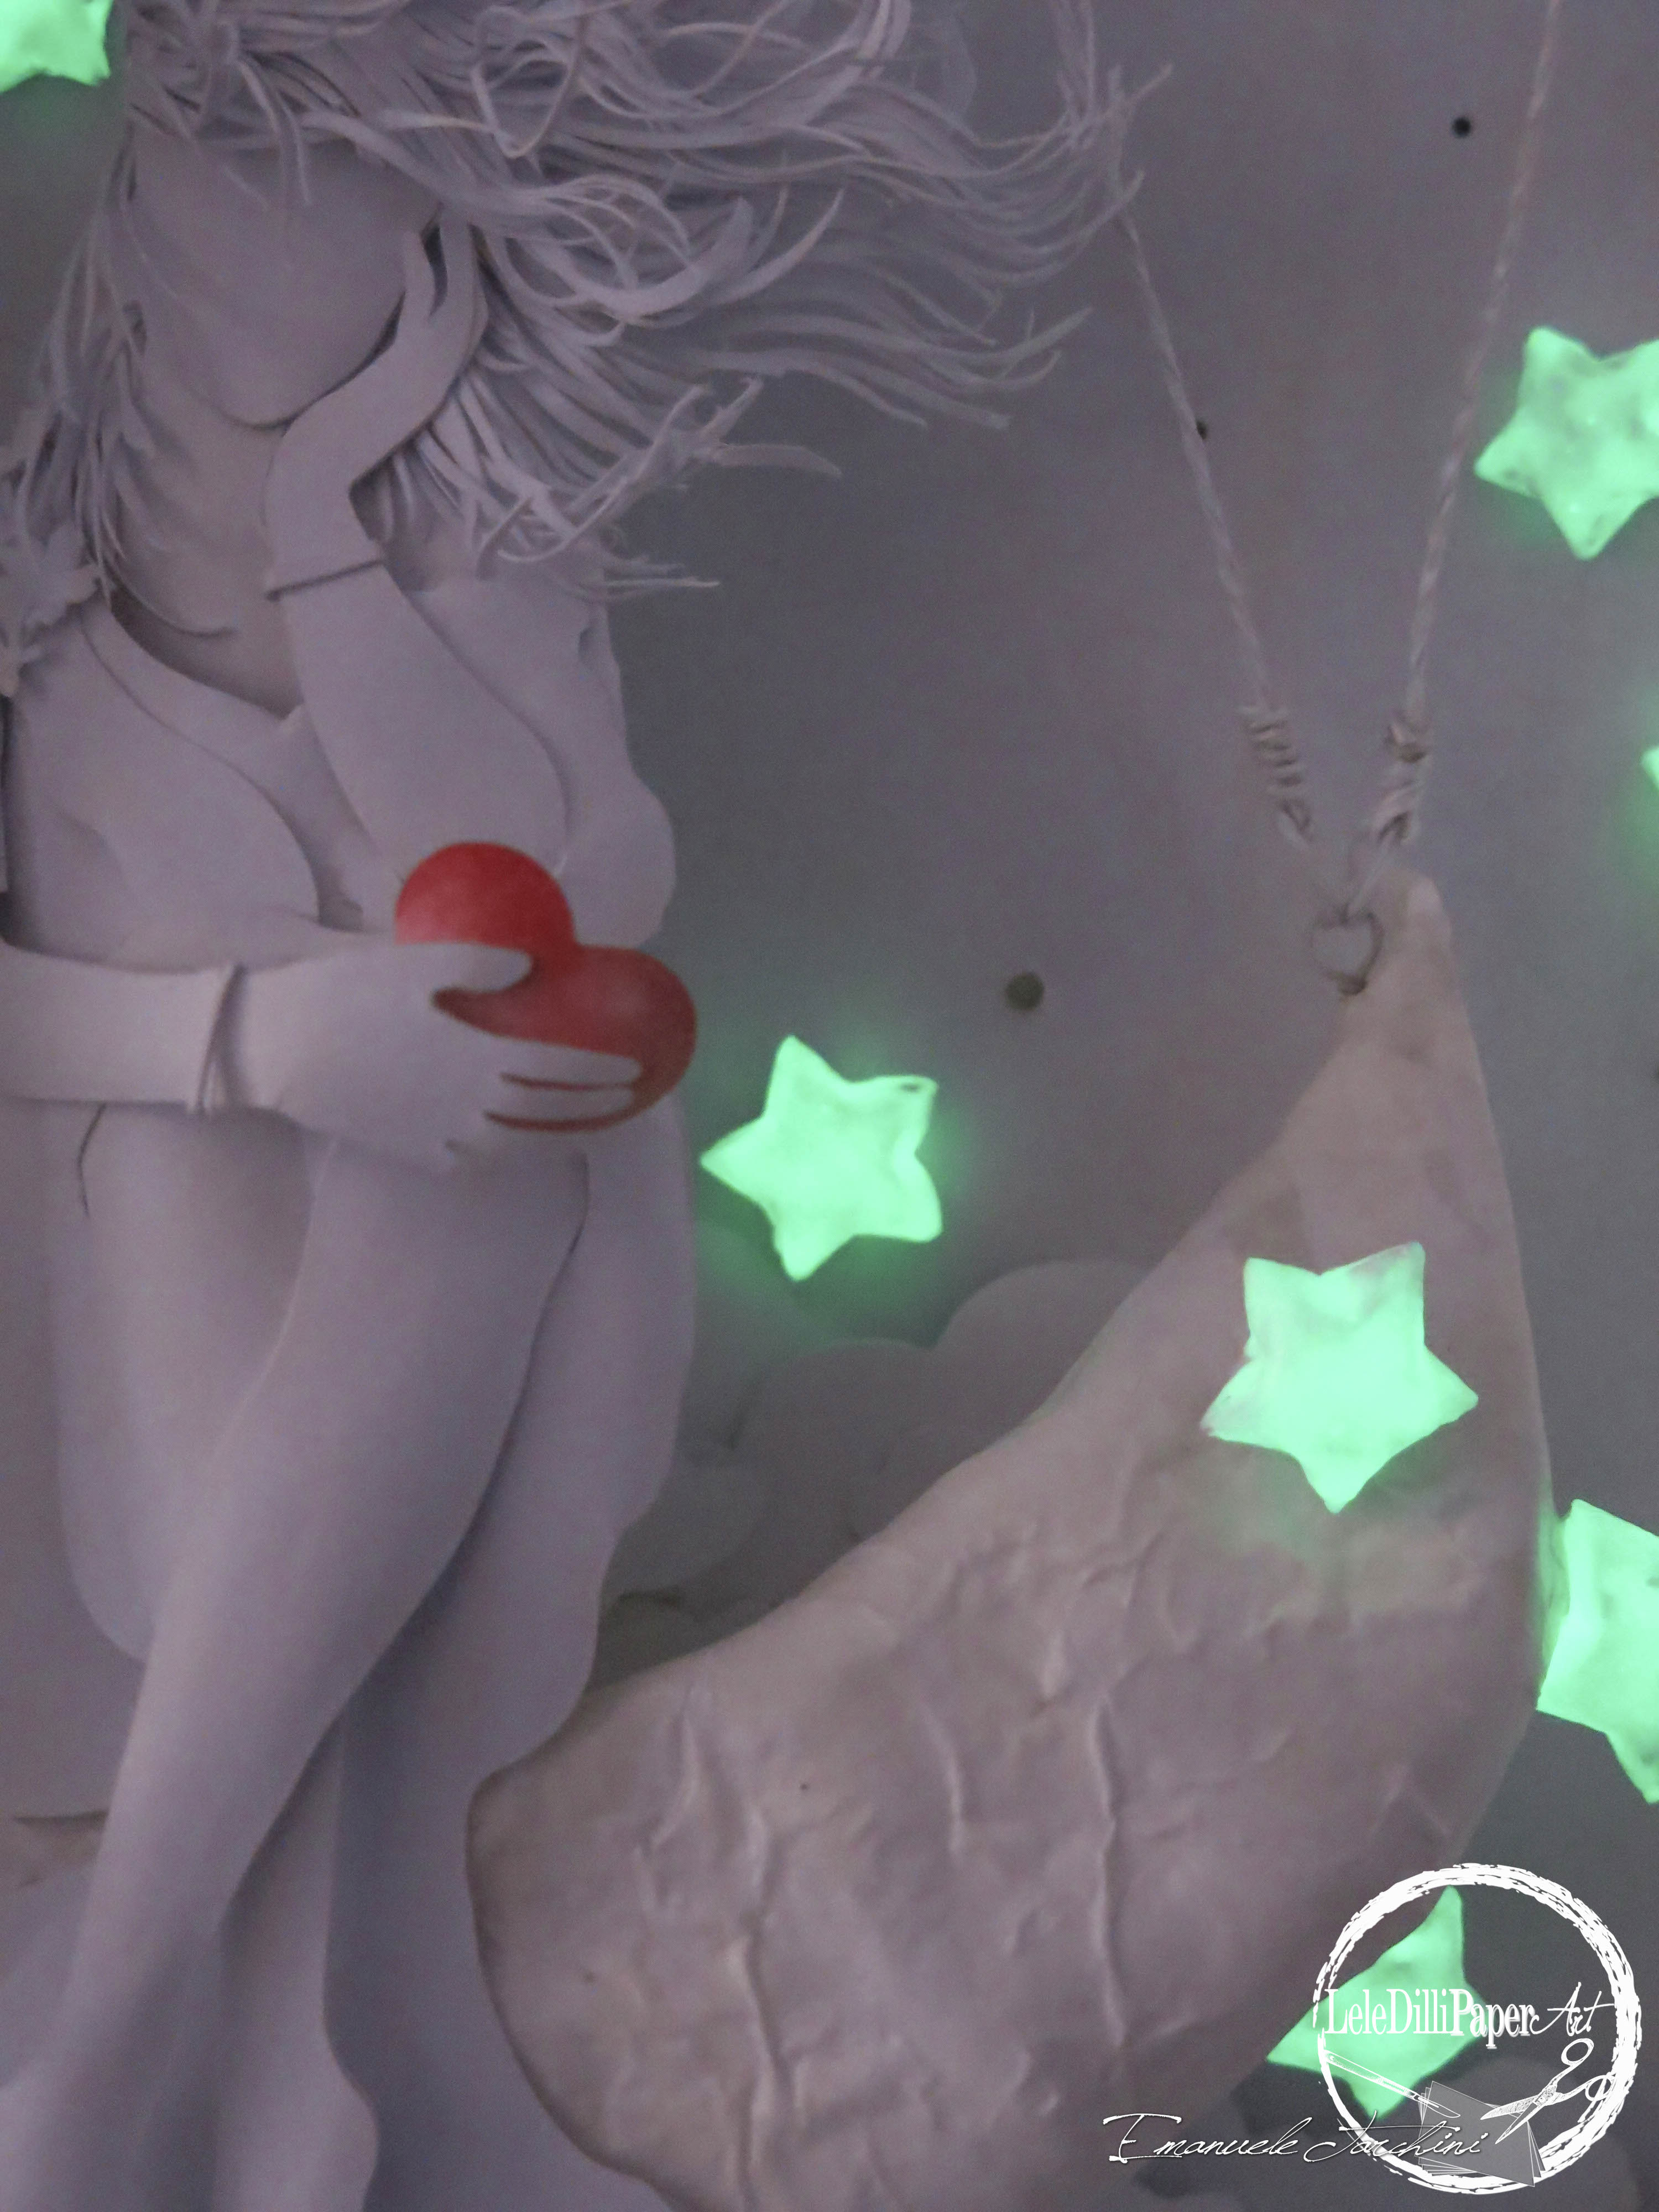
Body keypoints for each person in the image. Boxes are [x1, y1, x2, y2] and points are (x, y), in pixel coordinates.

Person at [0, 2, 1117, 2203]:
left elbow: (560, 883)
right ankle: (168, 2037)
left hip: (484, 1253)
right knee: (456, 1192)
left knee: (502, 1179)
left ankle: (265, 2063)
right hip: (161, 1234)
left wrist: (332, 538)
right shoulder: (45, 617)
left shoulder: (463, 559)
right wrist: (259, 1040)